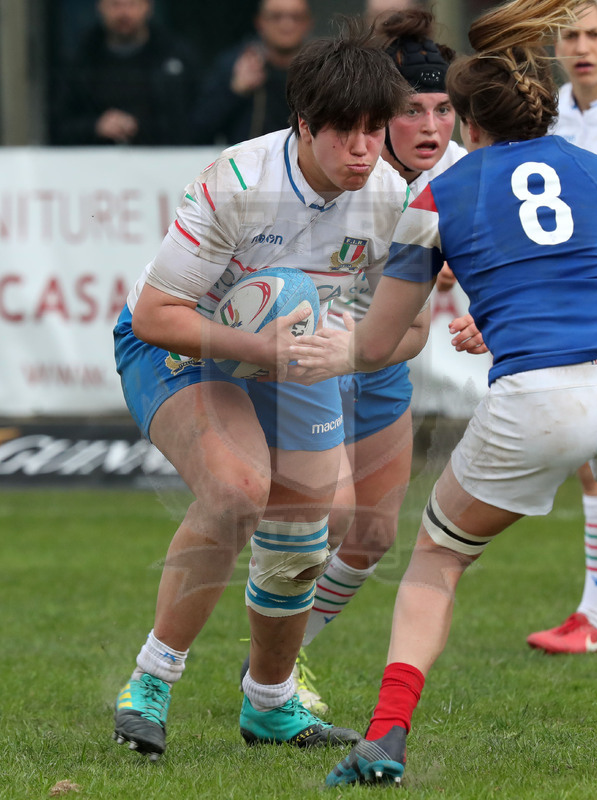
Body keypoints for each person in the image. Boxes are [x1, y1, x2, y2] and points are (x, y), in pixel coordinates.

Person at [288, 0, 597, 785]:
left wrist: (313, 352)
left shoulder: (437, 196)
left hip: (541, 399)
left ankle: (382, 738)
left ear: (468, 124)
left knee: (437, 559)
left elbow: (376, 344)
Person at [111, 22, 414, 760]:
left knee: (321, 516)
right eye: (343, 133)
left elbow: (409, 332)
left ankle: (270, 703)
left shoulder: (389, 195)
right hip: (189, 344)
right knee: (238, 488)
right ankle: (150, 682)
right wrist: (261, 346)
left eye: (375, 132)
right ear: (303, 126)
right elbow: (155, 315)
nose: (363, 151)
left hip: (295, 352)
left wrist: (347, 349)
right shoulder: (240, 183)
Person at [290, 7, 467, 717]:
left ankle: (281, 651)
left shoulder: (455, 173)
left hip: (381, 354)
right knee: (326, 516)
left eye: (443, 108)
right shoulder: (345, 160)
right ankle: (259, 667)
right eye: (410, 110)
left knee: (371, 534)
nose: (429, 126)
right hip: (309, 350)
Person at [526, 0, 597, 655]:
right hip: (580, 305)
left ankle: (594, 615)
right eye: (569, 35)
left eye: (594, 33)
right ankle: (592, 615)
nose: (582, 45)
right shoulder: (544, 119)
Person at [51, 0, 200, 146]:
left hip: (166, 160)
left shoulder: (176, 58)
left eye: (132, 4)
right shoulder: (80, 60)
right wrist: (95, 126)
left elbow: (195, 122)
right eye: (115, 5)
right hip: (95, 161)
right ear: (100, 7)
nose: (124, 13)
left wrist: (142, 127)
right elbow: (57, 126)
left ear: (148, 7)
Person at [192, 0, 312, 146]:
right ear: (259, 22)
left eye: (296, 17)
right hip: (245, 164)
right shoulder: (234, 64)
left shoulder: (321, 70)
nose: (286, 25)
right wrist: (236, 90)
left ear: (308, 23)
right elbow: (198, 131)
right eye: (276, 16)